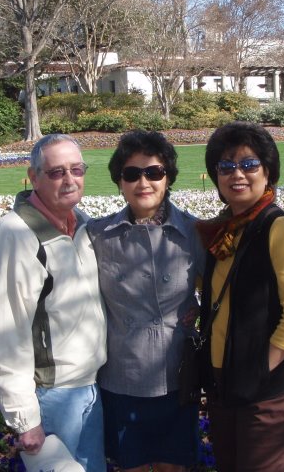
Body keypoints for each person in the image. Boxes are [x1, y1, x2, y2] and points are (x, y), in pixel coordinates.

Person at [0, 134, 107, 472]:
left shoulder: (83, 224)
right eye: (56, 172)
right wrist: (25, 418)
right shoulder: (14, 235)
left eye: (77, 170)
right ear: (33, 177)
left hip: (89, 388)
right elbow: (2, 332)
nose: (69, 180)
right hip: (52, 396)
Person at [196, 121, 284, 472]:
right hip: (223, 384)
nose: (238, 174)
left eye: (249, 164)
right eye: (226, 166)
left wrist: (259, 368)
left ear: (267, 172)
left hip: (264, 389)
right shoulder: (224, 230)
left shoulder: (279, 228)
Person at [87, 130, 203, 472]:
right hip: (123, 377)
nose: (144, 182)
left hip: (177, 377)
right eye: (132, 174)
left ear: (168, 177)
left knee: (174, 466)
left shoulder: (195, 233)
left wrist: (199, 313)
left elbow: (221, 289)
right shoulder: (97, 236)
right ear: (119, 181)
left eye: (154, 172)